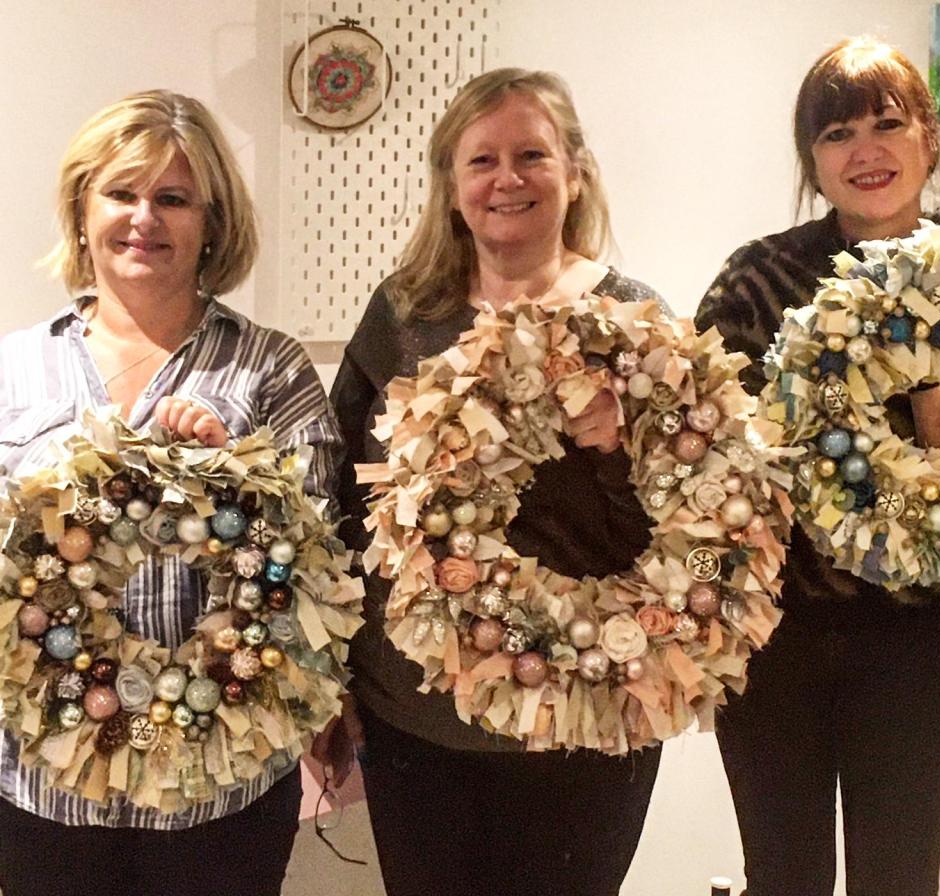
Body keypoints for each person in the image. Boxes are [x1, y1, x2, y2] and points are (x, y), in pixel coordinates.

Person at [324, 68, 663, 896]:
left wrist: (617, 449)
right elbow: (339, 503)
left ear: (574, 171)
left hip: (584, 721)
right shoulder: (403, 316)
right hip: (417, 720)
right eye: (482, 160)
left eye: (531, 155)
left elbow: (684, 534)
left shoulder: (635, 322)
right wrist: (329, 675)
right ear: (452, 187)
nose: (507, 179)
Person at [0, 91, 342, 896]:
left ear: (211, 223)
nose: (143, 218)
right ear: (81, 211)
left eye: (174, 198)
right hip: (45, 795)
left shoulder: (269, 368)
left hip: (222, 801)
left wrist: (236, 481)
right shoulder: (16, 370)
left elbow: (321, 566)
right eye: (121, 192)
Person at [695, 36, 940, 896]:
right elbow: (700, 450)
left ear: (928, 137)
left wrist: (935, 393)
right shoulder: (758, 279)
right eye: (837, 133)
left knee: (899, 879)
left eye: (886, 124)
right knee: (781, 877)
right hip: (775, 638)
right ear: (812, 159)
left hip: (924, 642)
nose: (865, 150)